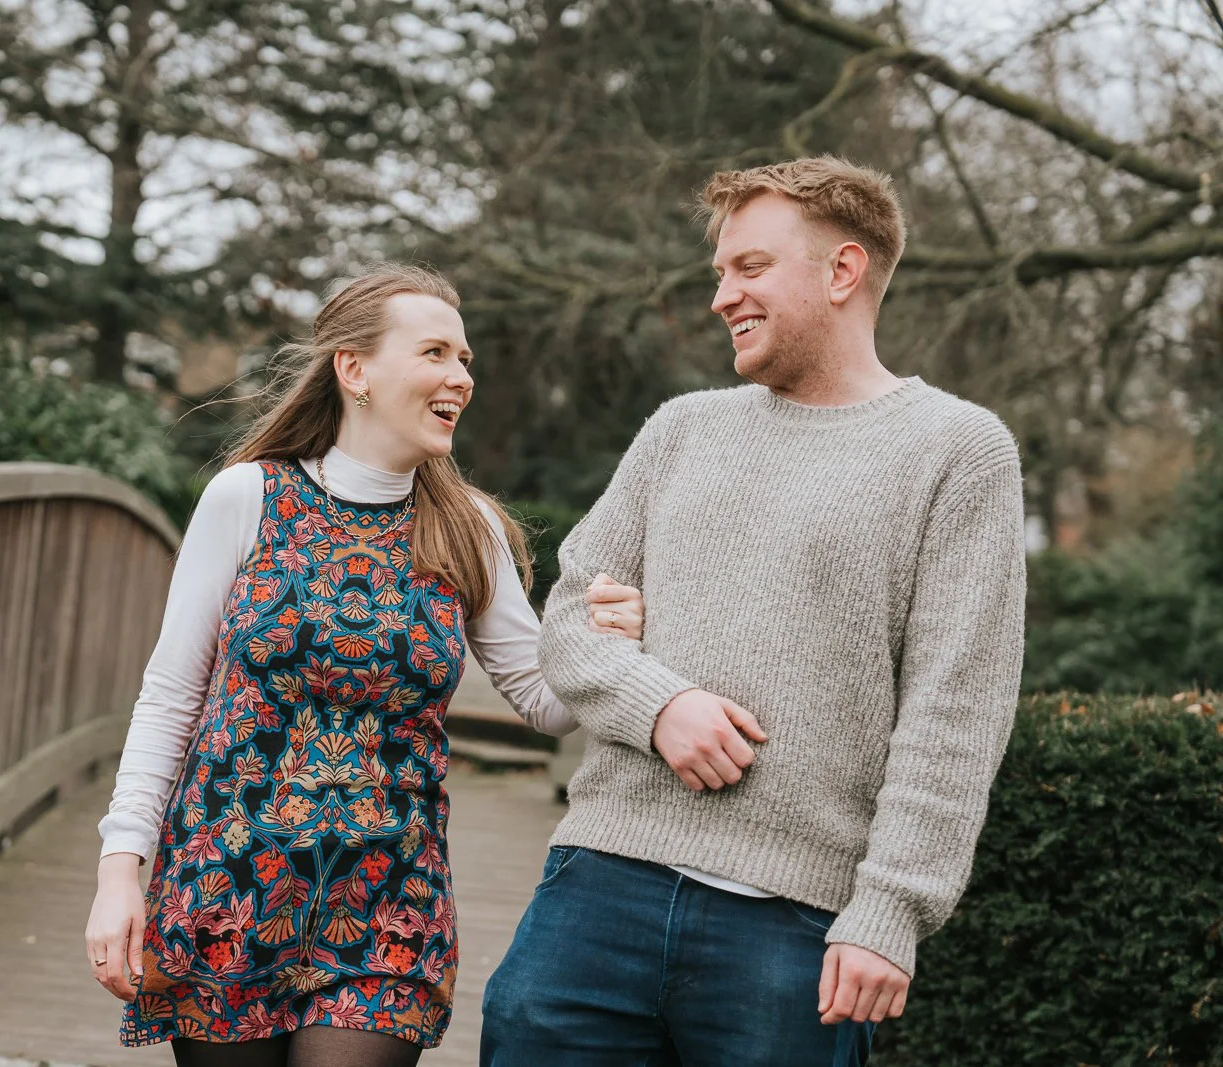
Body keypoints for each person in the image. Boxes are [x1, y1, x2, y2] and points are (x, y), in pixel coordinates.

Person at [480, 156, 1028, 1067]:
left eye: (751, 268)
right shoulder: (682, 428)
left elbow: (957, 709)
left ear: (842, 271)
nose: (722, 295)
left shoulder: (959, 453)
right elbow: (570, 619)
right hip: (597, 892)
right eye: (720, 273)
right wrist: (658, 704)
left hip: (795, 934)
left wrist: (891, 908)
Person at [84, 264, 646, 1067]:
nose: (461, 377)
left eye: (466, 360)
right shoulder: (248, 497)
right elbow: (171, 695)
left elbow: (547, 701)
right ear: (355, 371)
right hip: (227, 889)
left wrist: (606, 639)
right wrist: (119, 872)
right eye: (436, 353)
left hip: (387, 905)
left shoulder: (468, 528)